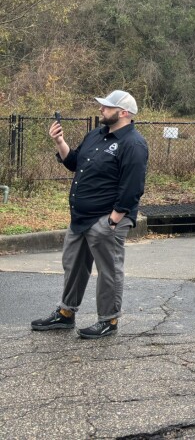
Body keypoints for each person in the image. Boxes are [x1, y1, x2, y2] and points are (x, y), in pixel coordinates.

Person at [31, 90, 149, 339]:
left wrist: (114, 219)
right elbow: (74, 163)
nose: (101, 109)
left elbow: (132, 187)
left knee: (109, 271)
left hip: (106, 219)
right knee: (73, 266)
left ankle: (108, 320)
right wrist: (60, 142)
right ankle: (65, 315)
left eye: (107, 107)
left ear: (124, 113)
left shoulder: (133, 144)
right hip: (80, 218)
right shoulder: (96, 134)